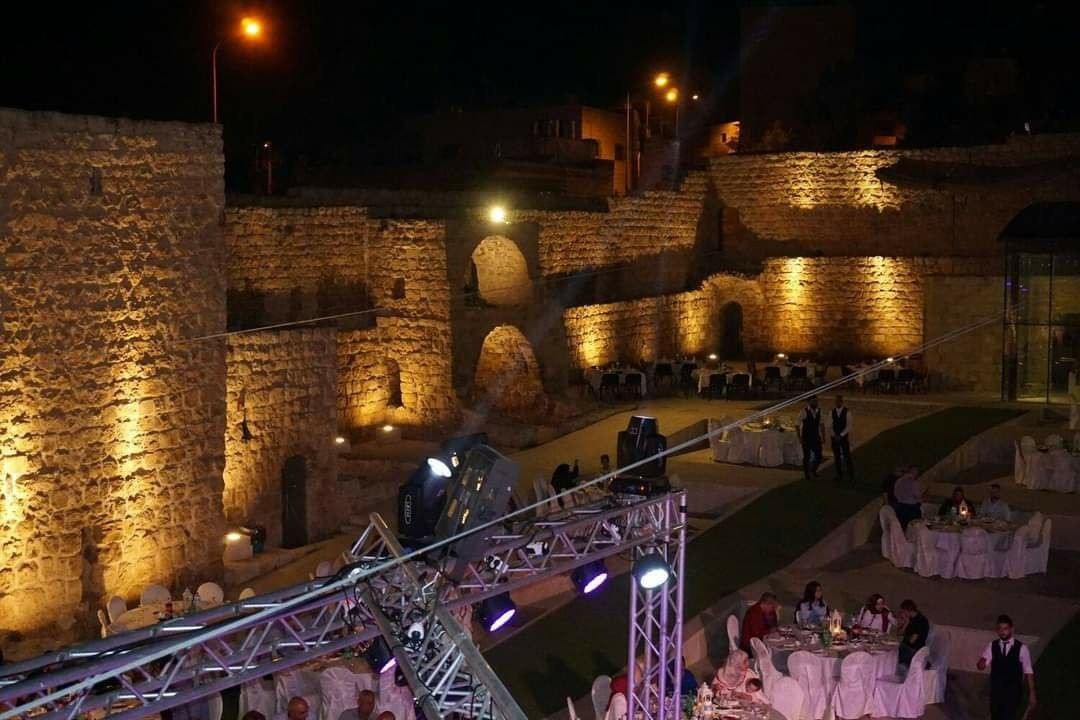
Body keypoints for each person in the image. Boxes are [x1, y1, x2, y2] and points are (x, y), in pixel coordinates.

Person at [977, 615, 1036, 720]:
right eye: (1000, 629)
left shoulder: (1021, 648)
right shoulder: (992, 645)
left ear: (1011, 629)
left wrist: (1032, 692)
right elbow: (982, 664)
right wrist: (981, 664)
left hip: (1012, 692)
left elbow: (1028, 671)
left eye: (1005, 629)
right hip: (996, 692)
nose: (1002, 632)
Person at [796, 397, 825, 479]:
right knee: (807, 456)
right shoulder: (803, 411)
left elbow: (822, 424)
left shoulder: (819, 411)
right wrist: (799, 437)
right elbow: (797, 424)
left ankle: (813, 470)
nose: (815, 403)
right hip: (806, 437)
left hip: (816, 437)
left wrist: (823, 436)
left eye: (816, 401)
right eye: (814, 401)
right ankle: (807, 474)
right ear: (809, 402)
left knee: (819, 456)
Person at [897, 599, 930, 669]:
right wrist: (906, 622)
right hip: (908, 648)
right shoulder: (911, 619)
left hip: (914, 651)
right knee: (894, 648)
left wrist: (904, 637)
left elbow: (912, 641)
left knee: (895, 649)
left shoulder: (920, 621)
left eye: (903, 611)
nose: (902, 614)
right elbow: (899, 633)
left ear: (907, 610)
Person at [830, 395, 855, 481]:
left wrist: (841, 435)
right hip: (834, 438)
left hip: (843, 438)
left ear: (841, 402)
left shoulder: (847, 412)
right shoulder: (831, 412)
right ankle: (839, 474)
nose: (837, 403)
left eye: (839, 401)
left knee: (847, 456)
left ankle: (851, 474)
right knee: (836, 457)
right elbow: (829, 425)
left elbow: (849, 426)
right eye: (836, 401)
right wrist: (834, 435)